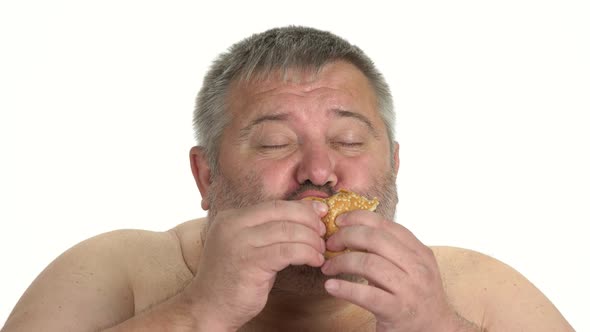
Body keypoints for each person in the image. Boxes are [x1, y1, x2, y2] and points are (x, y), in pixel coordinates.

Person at [2, 26, 573, 332]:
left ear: (394, 166)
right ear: (206, 176)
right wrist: (200, 310)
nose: (320, 172)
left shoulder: (479, 289)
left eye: (349, 140)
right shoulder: (114, 271)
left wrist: (438, 328)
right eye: (276, 143)